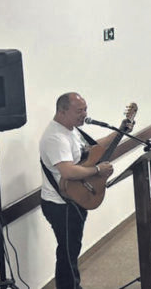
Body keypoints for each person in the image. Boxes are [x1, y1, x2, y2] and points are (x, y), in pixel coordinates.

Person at [40, 92, 118, 289]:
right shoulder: (56, 137)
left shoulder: (72, 130)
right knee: (67, 253)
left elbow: (92, 149)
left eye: (85, 109)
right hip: (60, 205)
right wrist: (98, 170)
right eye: (79, 111)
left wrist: (118, 133)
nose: (84, 114)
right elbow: (67, 171)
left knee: (72, 249)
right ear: (62, 111)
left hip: (74, 199)